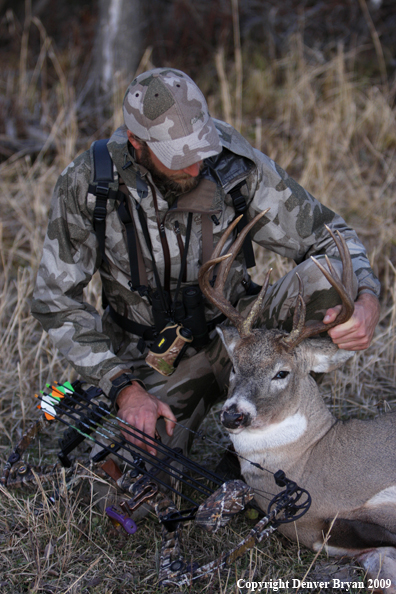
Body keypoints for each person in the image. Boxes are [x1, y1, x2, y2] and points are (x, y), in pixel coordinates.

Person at [31, 67, 380, 464]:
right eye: (179, 157)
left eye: (201, 149)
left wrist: (367, 296)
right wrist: (124, 388)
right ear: (136, 143)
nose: (196, 167)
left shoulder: (232, 162)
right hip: (152, 362)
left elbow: (329, 234)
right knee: (119, 484)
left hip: (245, 334)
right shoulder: (90, 185)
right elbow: (55, 300)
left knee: (328, 279)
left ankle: (272, 444)